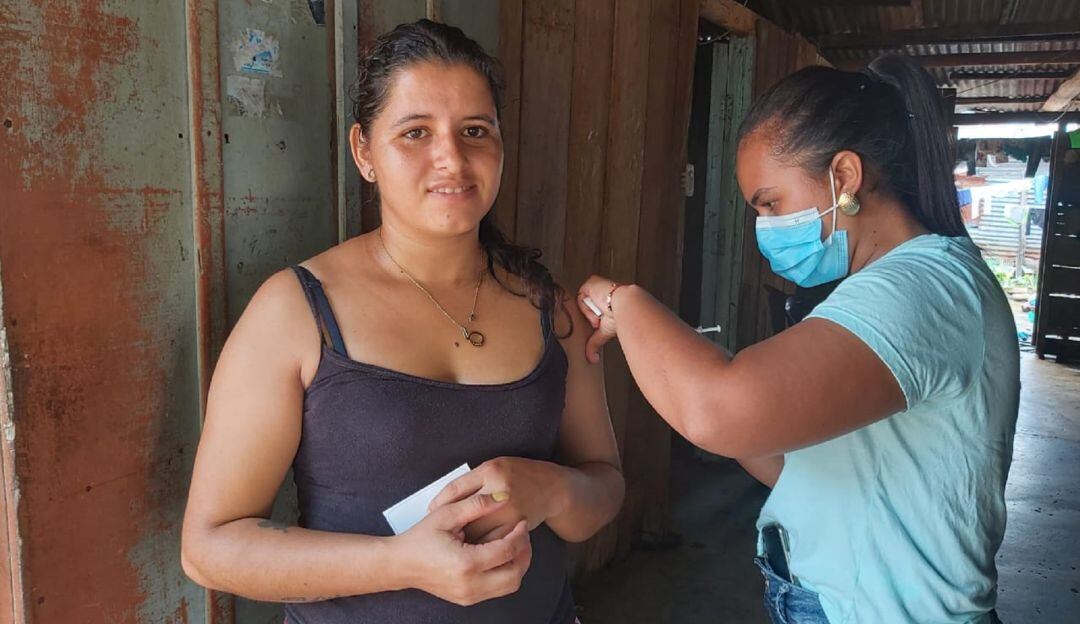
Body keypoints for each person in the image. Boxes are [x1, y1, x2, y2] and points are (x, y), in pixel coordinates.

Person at [181, 19, 624, 624]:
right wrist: (404, 564)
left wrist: (554, 489)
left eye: (475, 130)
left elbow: (605, 486)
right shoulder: (297, 311)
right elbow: (209, 549)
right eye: (415, 132)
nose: (452, 158)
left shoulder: (551, 309)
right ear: (364, 151)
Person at [577, 55, 1018, 624]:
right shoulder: (878, 290)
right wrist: (685, 371)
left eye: (770, 203)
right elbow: (792, 464)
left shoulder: (921, 289)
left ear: (845, 177)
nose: (764, 226)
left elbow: (718, 412)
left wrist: (626, 302)